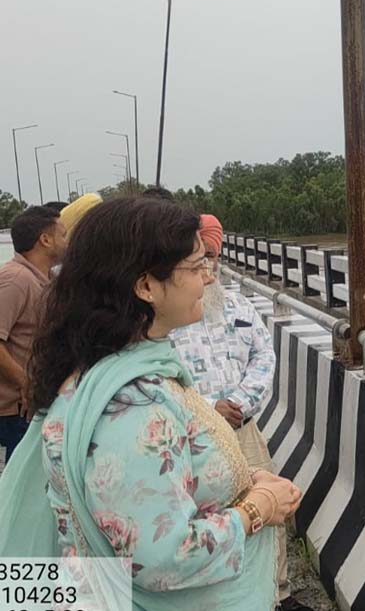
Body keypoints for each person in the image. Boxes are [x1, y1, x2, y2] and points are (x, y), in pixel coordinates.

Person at [0, 197, 302, 611]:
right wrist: (257, 508)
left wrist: (245, 477)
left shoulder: (108, 373)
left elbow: (157, 477)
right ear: (145, 286)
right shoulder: (131, 406)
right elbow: (163, 559)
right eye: (196, 267)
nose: (209, 279)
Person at [170, 215, 313, 611]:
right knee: (209, 516)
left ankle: (276, 592)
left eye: (212, 257)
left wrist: (240, 403)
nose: (208, 268)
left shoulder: (238, 304)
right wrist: (209, 408)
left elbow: (263, 356)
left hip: (243, 428)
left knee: (271, 509)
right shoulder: (164, 316)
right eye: (198, 260)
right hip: (193, 431)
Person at [0, 206, 65, 461]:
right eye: (63, 234)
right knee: (22, 483)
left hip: (33, 402)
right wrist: (26, 382)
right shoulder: (16, 280)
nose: (67, 241)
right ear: (45, 240)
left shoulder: (45, 279)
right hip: (16, 408)